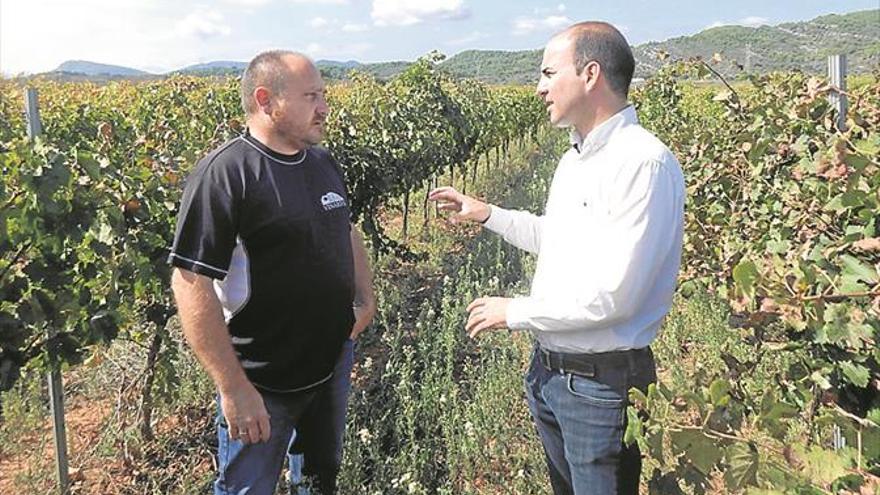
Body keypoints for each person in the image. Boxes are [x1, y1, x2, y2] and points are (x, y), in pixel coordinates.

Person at [429, 22, 685, 495]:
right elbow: (562, 238)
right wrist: (487, 214)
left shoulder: (641, 164)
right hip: (552, 372)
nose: (540, 87)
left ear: (590, 74)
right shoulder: (576, 159)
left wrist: (516, 311)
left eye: (548, 72)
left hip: (600, 386)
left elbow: (617, 297)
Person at [169, 50, 375, 495]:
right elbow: (191, 281)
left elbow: (347, 229)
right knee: (247, 487)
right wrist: (234, 388)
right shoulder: (226, 174)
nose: (324, 107)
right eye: (311, 96)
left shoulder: (321, 161)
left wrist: (364, 299)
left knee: (319, 480)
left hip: (330, 363)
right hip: (263, 383)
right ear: (266, 100)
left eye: (323, 95)